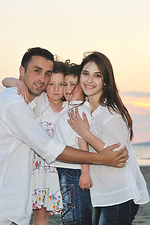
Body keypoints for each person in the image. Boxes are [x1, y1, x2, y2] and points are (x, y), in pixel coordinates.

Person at [0, 47, 129, 225]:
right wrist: (101, 158)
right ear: (22, 71)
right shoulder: (14, 103)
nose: (42, 78)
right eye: (37, 71)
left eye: (47, 73)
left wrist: (14, 82)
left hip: (5, 207)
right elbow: (49, 148)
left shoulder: (29, 101)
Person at [68, 51, 150, 225]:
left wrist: (85, 133)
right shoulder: (84, 109)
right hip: (100, 193)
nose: (89, 80)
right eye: (85, 74)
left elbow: (117, 157)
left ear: (105, 80)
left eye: (97, 75)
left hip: (119, 193)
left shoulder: (111, 113)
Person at [2, 61, 67, 224]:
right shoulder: (39, 102)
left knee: (52, 212)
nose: (57, 89)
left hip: (57, 169)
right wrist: (18, 82)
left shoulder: (68, 109)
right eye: (51, 84)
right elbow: (5, 81)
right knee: (32, 211)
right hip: (35, 168)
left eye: (62, 84)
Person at [52, 63, 93, 225]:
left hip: (74, 171)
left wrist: (85, 172)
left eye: (72, 85)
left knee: (75, 215)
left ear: (83, 87)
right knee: (71, 213)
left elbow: (83, 142)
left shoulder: (80, 110)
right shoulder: (69, 108)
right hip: (67, 169)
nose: (67, 89)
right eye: (65, 84)